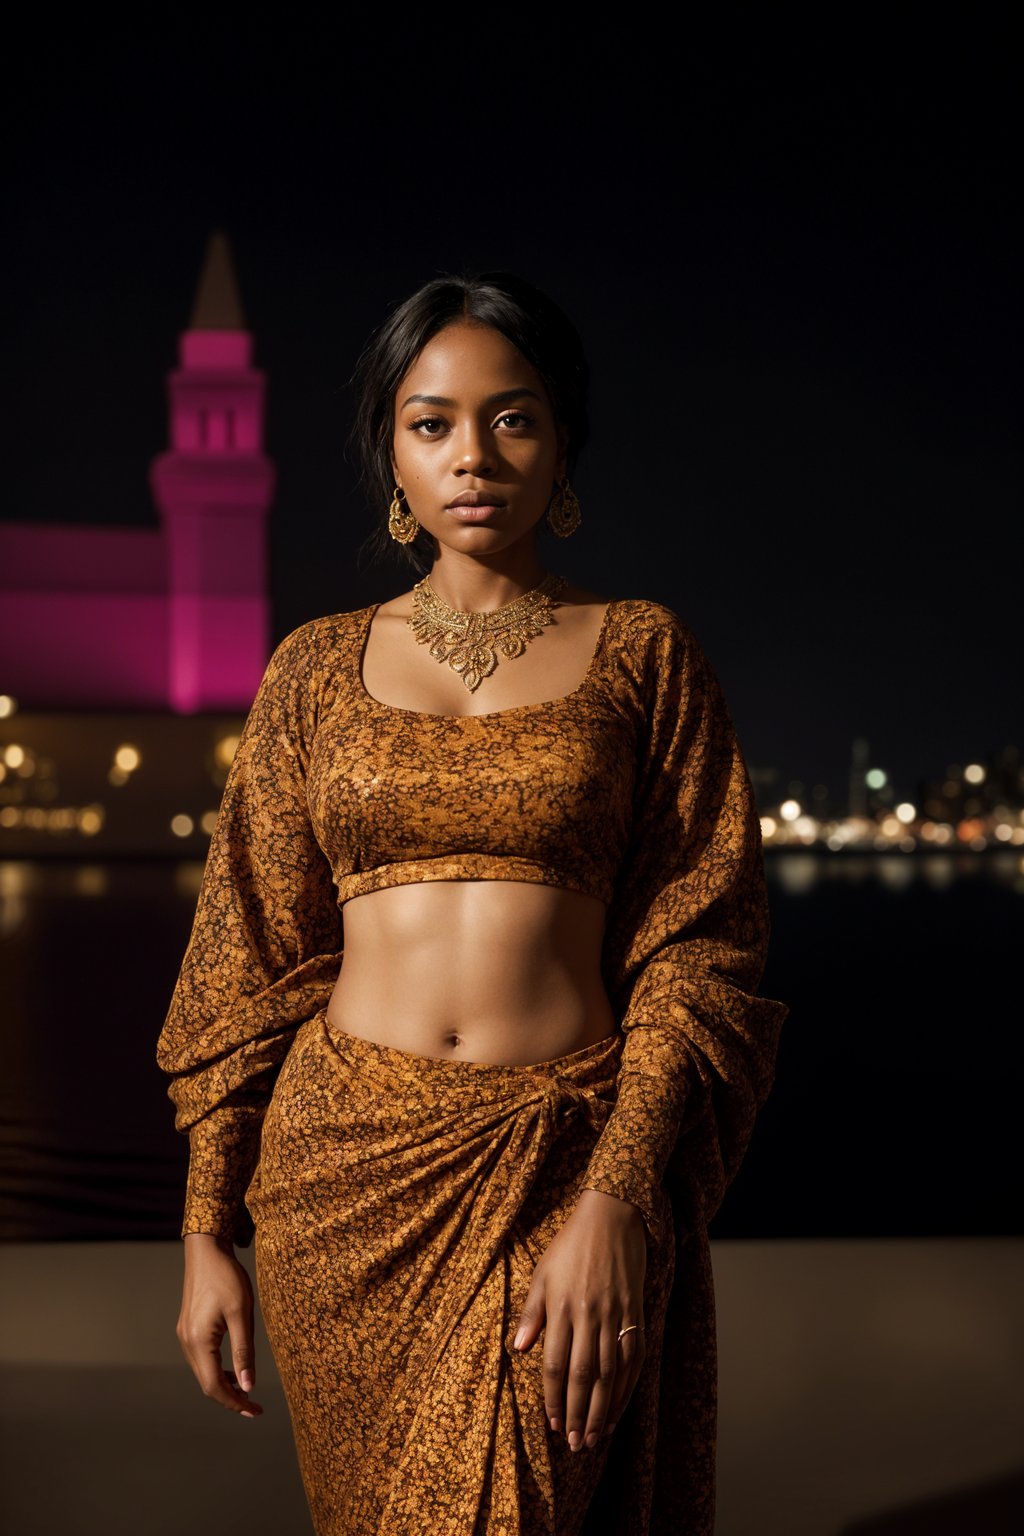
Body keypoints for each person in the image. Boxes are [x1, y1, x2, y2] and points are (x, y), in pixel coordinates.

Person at [156, 271, 787, 1536]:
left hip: (565, 1161)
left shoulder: (645, 654)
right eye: (430, 422)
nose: (473, 456)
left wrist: (616, 1196)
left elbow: (698, 953)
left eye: (513, 418)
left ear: (562, 447)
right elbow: (246, 955)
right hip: (343, 1188)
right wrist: (204, 1228)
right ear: (391, 455)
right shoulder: (314, 668)